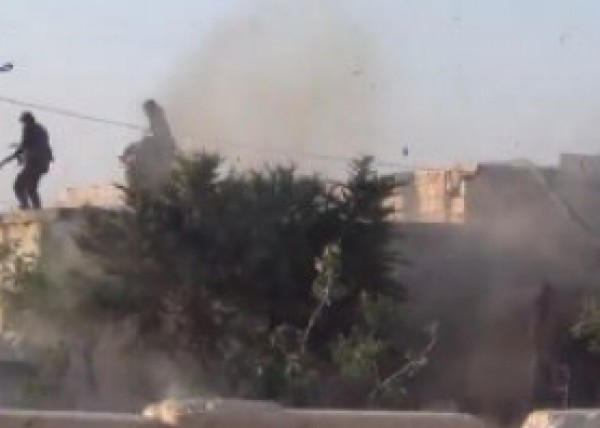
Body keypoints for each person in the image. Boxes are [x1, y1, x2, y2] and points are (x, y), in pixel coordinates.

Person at [0, 112, 53, 209]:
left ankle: (25, 206)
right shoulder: (42, 130)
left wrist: (7, 159)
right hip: (43, 164)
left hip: (34, 163)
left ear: (27, 121)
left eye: (24, 122)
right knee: (31, 188)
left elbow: (25, 145)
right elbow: (31, 145)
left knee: (18, 186)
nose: (23, 124)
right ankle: (37, 209)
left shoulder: (29, 128)